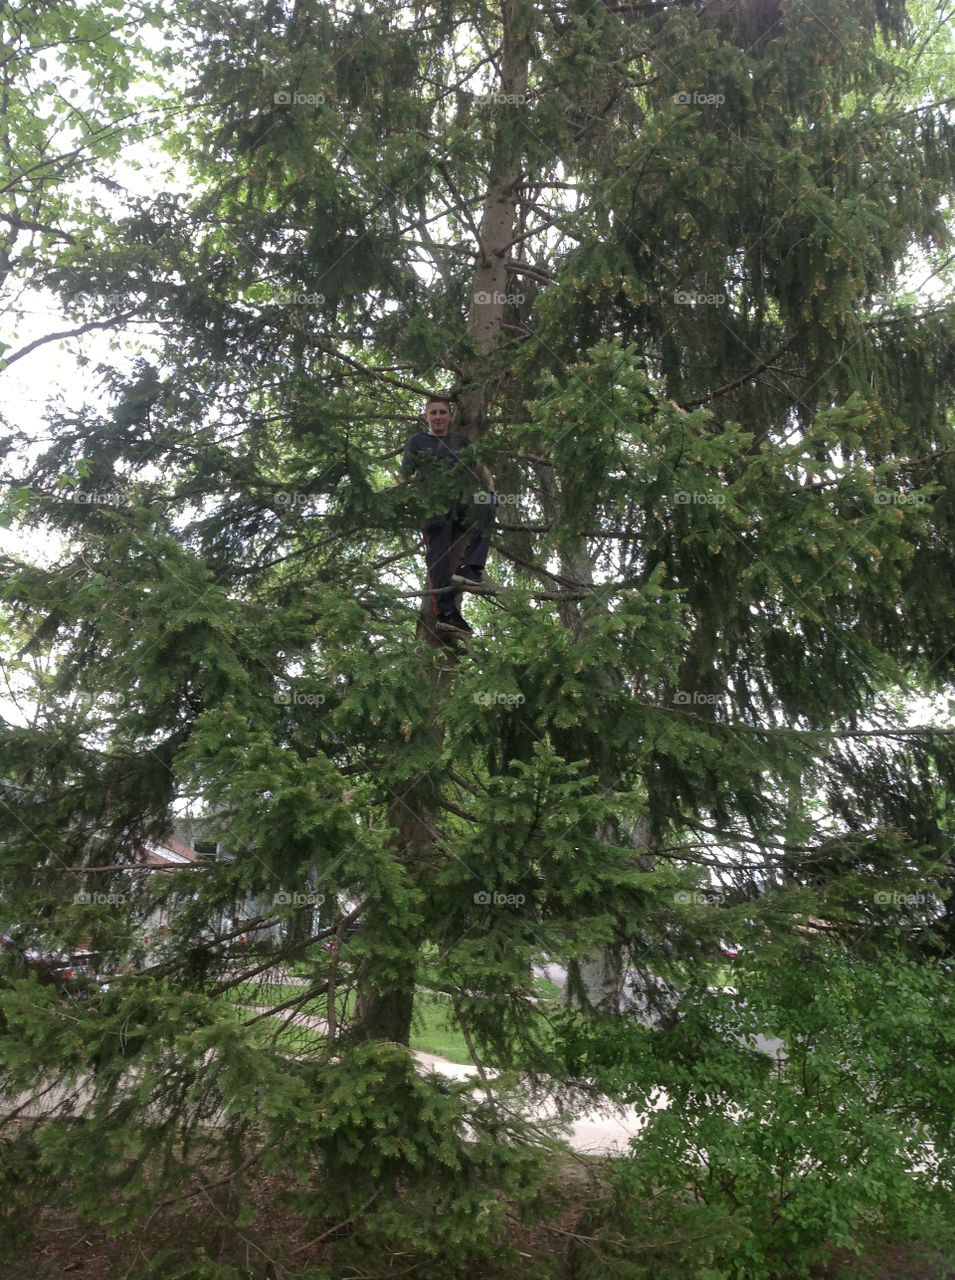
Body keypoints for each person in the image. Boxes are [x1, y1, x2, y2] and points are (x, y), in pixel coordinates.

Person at [397, 394, 495, 635]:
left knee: (487, 504)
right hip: (433, 506)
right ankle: (447, 613)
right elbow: (405, 475)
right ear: (425, 417)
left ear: (450, 416)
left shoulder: (460, 441)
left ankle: (470, 569)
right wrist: (397, 496)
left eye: (442, 412)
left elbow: (479, 465)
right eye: (433, 413)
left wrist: (491, 489)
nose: (438, 417)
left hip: (461, 502)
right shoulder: (417, 441)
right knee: (438, 554)